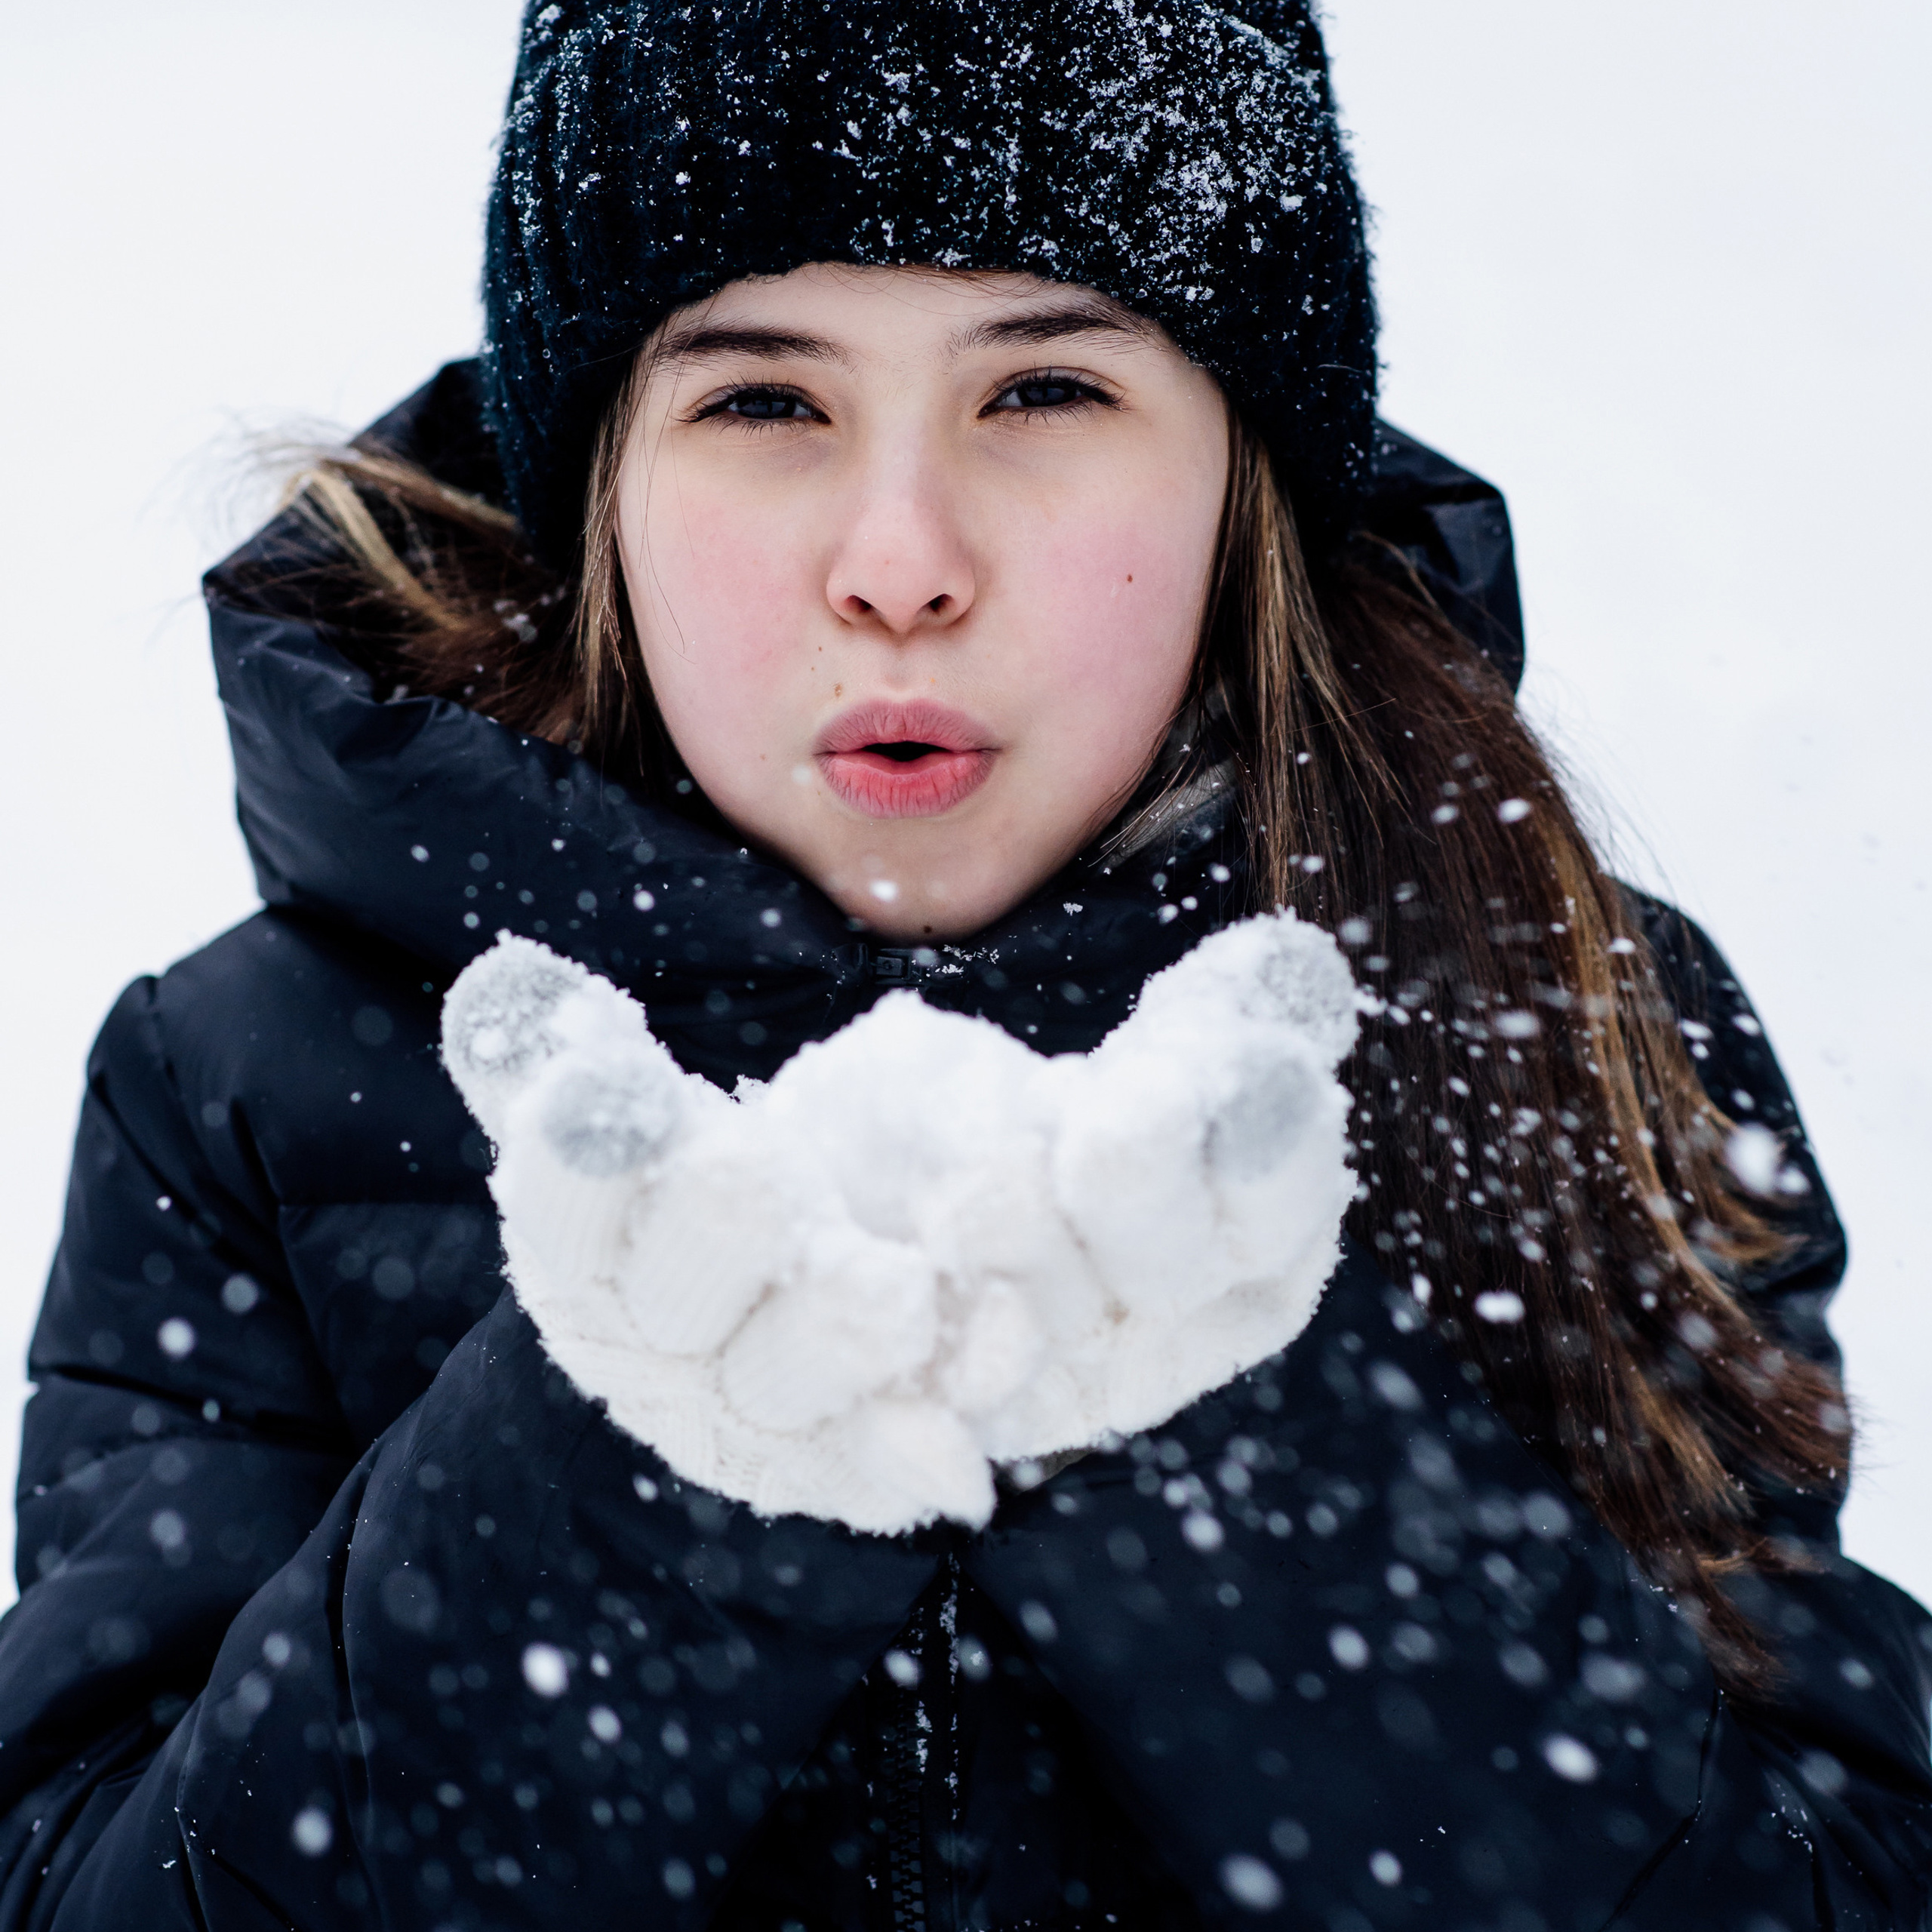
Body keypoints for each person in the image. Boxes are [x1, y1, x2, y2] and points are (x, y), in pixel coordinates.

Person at [2, 0, 1927, 1926]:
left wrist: (1224, 1428)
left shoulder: (1549, 1011)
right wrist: (646, 1460)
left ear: (1241, 472)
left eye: (1044, 390)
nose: (901, 560)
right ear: (601, 486)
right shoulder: (248, 1088)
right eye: (763, 404)